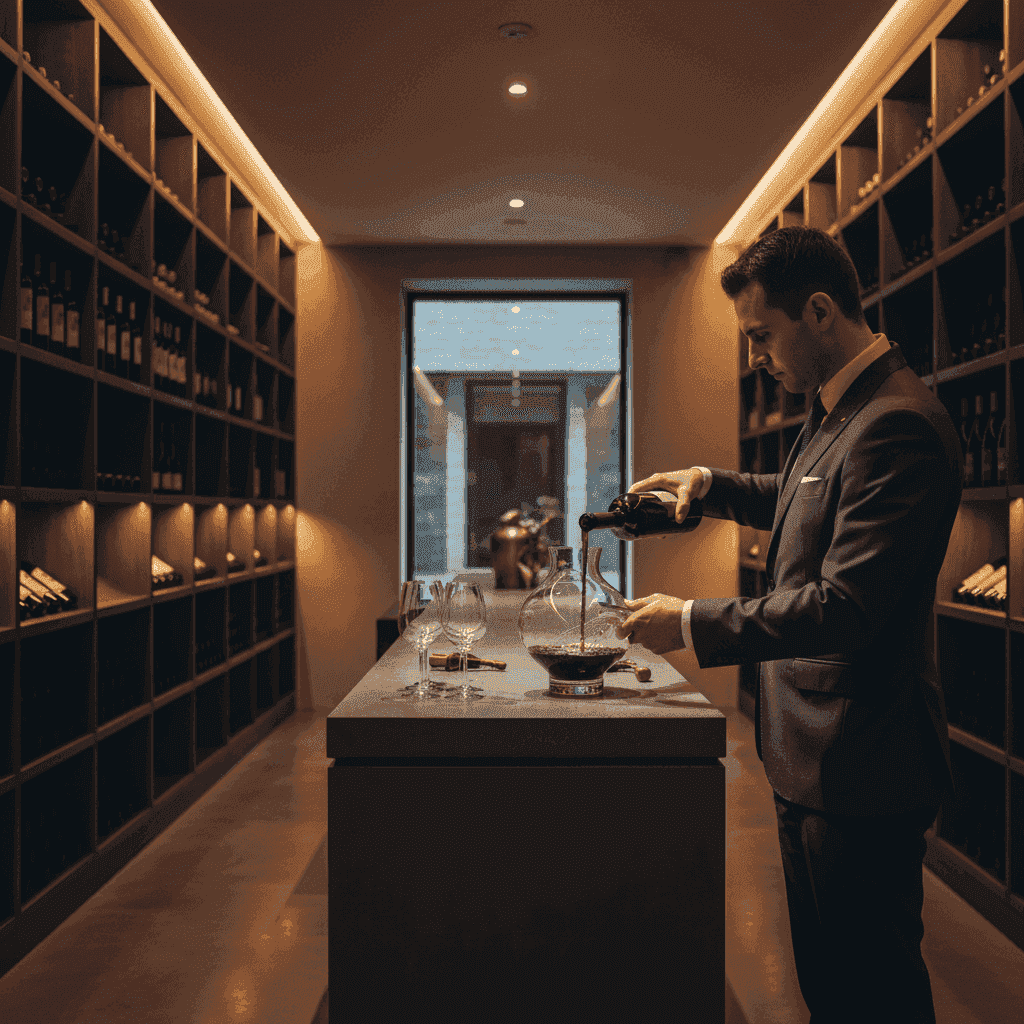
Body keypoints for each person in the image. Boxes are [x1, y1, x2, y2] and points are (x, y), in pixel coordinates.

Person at [616, 226, 960, 1024]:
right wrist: (708, 486)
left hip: (862, 766)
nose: (756, 356)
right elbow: (800, 492)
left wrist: (693, 622)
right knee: (831, 988)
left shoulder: (896, 422)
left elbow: (846, 607)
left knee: (871, 992)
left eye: (761, 336)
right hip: (812, 758)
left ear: (818, 312)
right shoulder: (842, 409)